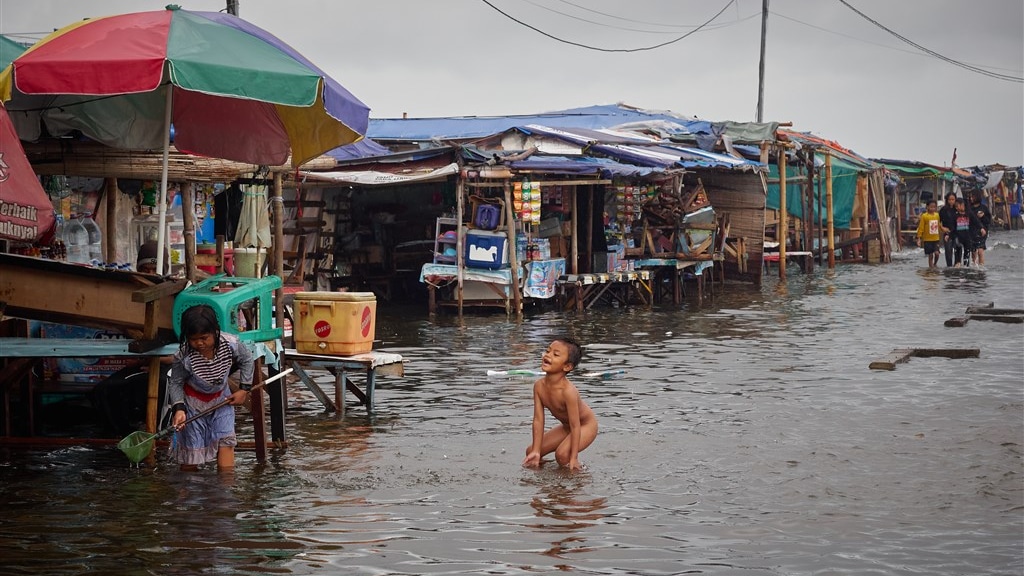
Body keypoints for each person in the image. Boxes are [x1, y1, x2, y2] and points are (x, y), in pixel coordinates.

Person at [167, 304, 254, 471]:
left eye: (204, 338)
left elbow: (247, 360)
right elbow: (176, 382)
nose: (199, 343)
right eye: (193, 339)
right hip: (193, 404)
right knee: (191, 450)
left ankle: (225, 490)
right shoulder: (183, 355)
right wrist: (179, 408)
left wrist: (244, 389)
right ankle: (190, 491)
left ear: (215, 331)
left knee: (226, 442)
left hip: (222, 401)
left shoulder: (231, 344)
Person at [523, 337, 597, 472]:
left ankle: (578, 481)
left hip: (585, 425)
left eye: (555, 354)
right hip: (567, 427)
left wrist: (573, 457)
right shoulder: (539, 386)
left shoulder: (568, 392)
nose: (547, 355)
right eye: (547, 351)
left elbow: (576, 426)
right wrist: (536, 451)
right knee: (531, 452)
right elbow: (538, 420)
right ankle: (550, 479)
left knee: (562, 456)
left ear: (567, 366)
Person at [915, 199, 942, 268]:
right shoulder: (924, 216)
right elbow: (921, 227)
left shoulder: (937, 215)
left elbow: (939, 225)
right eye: (931, 207)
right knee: (930, 255)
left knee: (937, 253)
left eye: (934, 207)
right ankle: (931, 268)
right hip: (927, 239)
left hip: (936, 239)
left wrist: (943, 229)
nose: (933, 208)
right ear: (927, 207)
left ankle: (935, 263)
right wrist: (918, 238)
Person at [969, 191, 992, 266]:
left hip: (983, 232)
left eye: (973, 197)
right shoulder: (969, 208)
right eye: (970, 197)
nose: (971, 198)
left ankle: (981, 267)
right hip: (972, 231)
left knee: (980, 251)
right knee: (973, 251)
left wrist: (983, 216)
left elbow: (988, 221)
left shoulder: (984, 208)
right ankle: (974, 265)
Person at [937, 193, 960, 267]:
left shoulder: (958, 209)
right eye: (949, 199)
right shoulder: (944, 209)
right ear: (947, 200)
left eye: (953, 199)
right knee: (948, 251)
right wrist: (942, 228)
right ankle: (949, 267)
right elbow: (938, 220)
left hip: (957, 232)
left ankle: (957, 265)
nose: (951, 201)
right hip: (947, 232)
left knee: (957, 249)